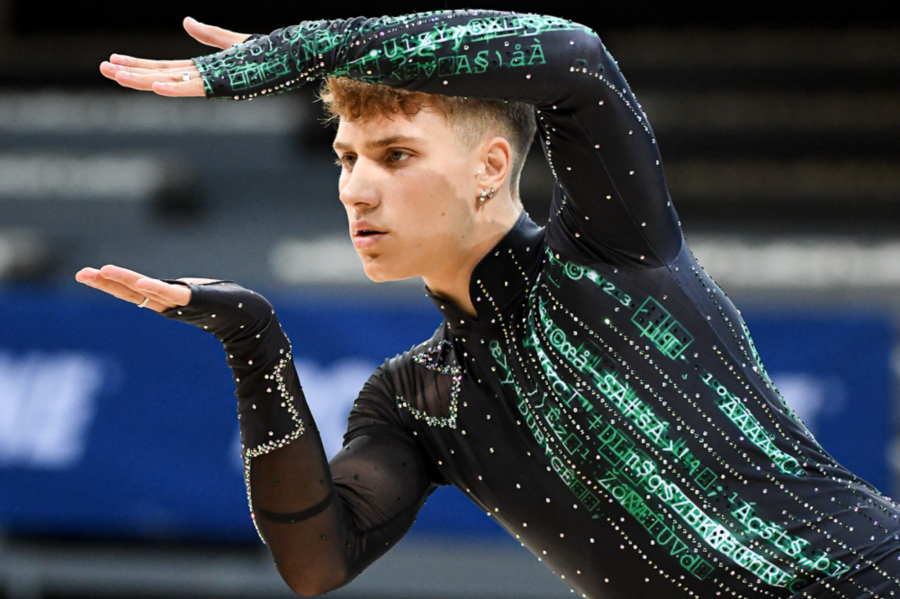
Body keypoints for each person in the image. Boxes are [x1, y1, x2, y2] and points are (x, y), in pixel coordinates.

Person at [76, 10, 900, 599]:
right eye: (345, 157)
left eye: (395, 154)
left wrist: (307, 48)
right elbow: (316, 560)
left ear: (489, 166)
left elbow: (577, 58)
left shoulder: (608, 251)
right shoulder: (414, 400)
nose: (356, 188)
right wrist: (254, 342)